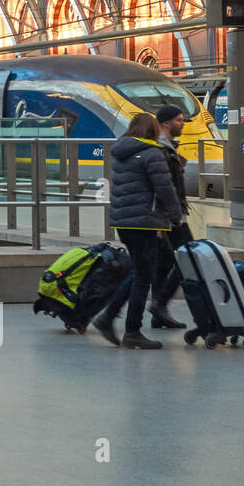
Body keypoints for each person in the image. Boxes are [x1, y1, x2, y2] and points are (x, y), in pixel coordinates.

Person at [93, 113, 184, 349]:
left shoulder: (122, 153)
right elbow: (164, 189)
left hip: (124, 221)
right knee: (144, 276)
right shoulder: (152, 153)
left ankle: (110, 317)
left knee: (140, 271)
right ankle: (129, 329)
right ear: (153, 130)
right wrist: (176, 217)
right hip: (145, 221)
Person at [148, 105, 191, 329]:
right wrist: (176, 215)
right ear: (165, 123)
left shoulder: (168, 148)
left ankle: (159, 313)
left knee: (163, 263)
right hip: (170, 215)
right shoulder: (161, 149)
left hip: (167, 215)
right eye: (179, 120)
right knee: (189, 258)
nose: (182, 124)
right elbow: (165, 188)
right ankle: (160, 303)